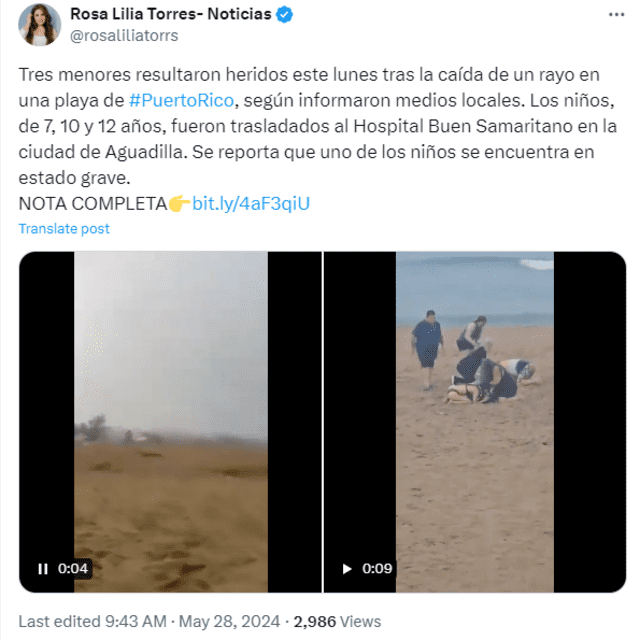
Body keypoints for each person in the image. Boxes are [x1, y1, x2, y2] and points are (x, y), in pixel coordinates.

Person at [444, 358, 517, 404]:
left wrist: (475, 400)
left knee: (499, 398)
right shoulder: (453, 392)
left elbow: (475, 389)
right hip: (484, 390)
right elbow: (469, 399)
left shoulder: (458, 390)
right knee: (500, 399)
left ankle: (516, 397)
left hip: (482, 390)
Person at [411, 310, 444, 390]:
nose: (432, 318)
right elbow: (413, 337)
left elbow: (440, 336)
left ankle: (429, 383)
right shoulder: (421, 324)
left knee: (430, 366)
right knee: (425, 366)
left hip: (434, 348)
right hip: (422, 348)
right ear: (427, 317)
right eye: (430, 317)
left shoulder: (437, 324)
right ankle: (426, 385)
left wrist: (443, 347)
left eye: (433, 317)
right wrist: (412, 348)